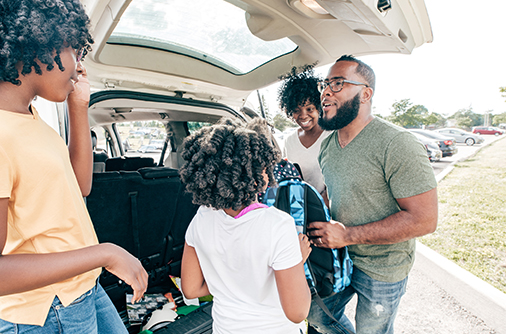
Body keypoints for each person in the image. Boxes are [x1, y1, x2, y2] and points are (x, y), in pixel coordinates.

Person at [0, 1, 148, 333]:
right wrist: (104, 254)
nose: (78, 66)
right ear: (42, 47)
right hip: (45, 309)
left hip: (80, 288)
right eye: (76, 51)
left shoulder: (29, 119)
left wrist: (78, 106)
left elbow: (79, 186)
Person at [306, 55, 438, 334]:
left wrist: (347, 235)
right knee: (315, 314)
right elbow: (333, 190)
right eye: (325, 84)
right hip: (338, 258)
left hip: (383, 267)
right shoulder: (328, 144)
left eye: (338, 83)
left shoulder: (397, 143)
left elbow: (425, 220)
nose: (326, 91)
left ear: (366, 94)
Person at [179, 118, 312, 333]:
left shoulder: (201, 218)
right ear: (256, 173)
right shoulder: (277, 224)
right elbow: (297, 313)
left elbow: (191, 289)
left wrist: (230, 286)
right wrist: (297, 260)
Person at [278, 65, 331, 203]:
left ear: (319, 107)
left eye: (309, 109)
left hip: (326, 210)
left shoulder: (332, 136)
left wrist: (319, 209)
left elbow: (336, 183)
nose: (303, 116)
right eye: (296, 110)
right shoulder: (289, 141)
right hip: (298, 208)